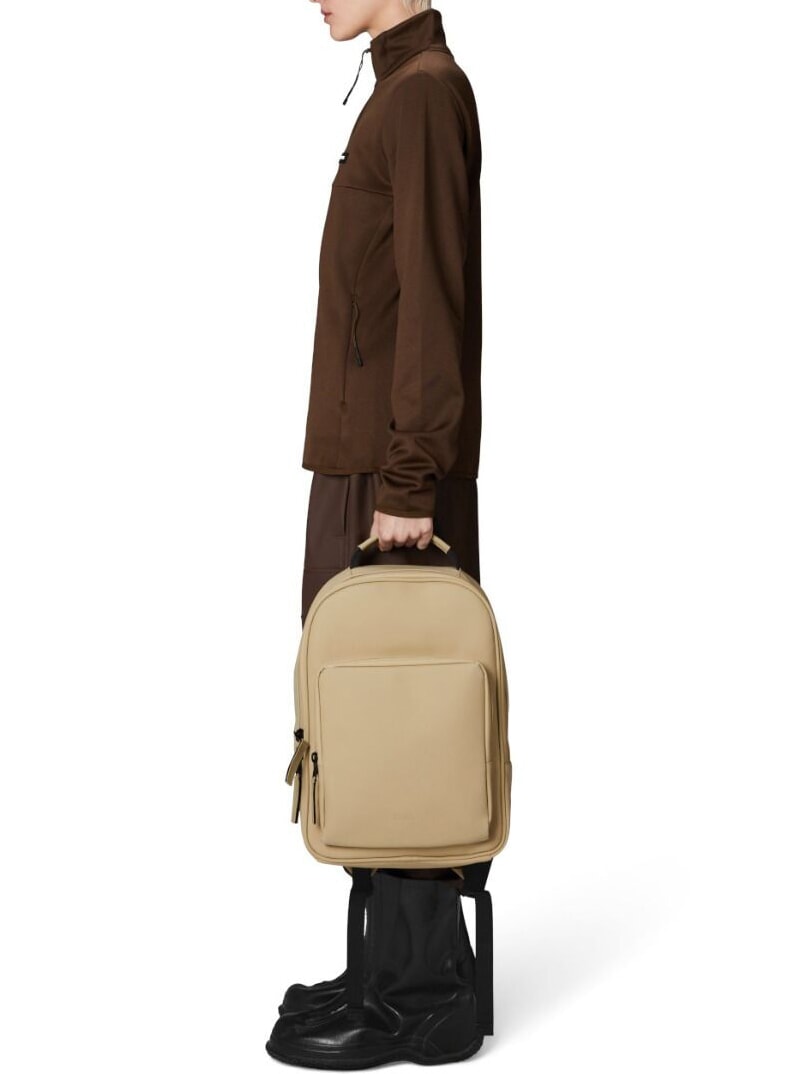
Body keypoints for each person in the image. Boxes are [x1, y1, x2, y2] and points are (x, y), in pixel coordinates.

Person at [267, 2, 488, 1067]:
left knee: (401, 719)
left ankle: (425, 996)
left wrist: (409, 484)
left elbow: (434, 310)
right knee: (357, 717)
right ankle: (382, 965)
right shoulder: (398, 88)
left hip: (393, 478)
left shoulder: (425, 96)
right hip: (362, 463)